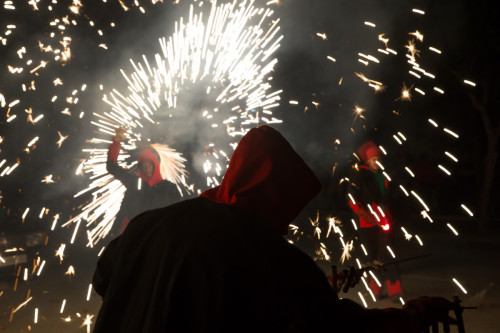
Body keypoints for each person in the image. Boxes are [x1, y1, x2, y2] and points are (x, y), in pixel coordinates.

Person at [93, 126, 457, 332]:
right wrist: (411, 316)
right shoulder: (266, 256)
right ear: (273, 193)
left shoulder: (152, 224)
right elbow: (334, 328)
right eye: (287, 205)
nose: (286, 221)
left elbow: (104, 279)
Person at [347, 140, 403, 300]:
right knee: (372, 258)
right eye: (373, 159)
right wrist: (368, 216)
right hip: (366, 224)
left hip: (384, 223)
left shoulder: (385, 176)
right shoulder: (360, 175)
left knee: (388, 256)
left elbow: (392, 199)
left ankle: (395, 290)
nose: (376, 162)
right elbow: (351, 200)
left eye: (378, 159)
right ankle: (375, 289)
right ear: (368, 161)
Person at [106, 128, 184, 233]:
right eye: (144, 166)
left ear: (155, 165)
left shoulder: (169, 188)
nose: (147, 169)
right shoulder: (134, 182)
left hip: (156, 237)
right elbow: (112, 167)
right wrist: (116, 142)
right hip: (131, 235)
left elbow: (179, 213)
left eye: (150, 165)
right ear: (140, 167)